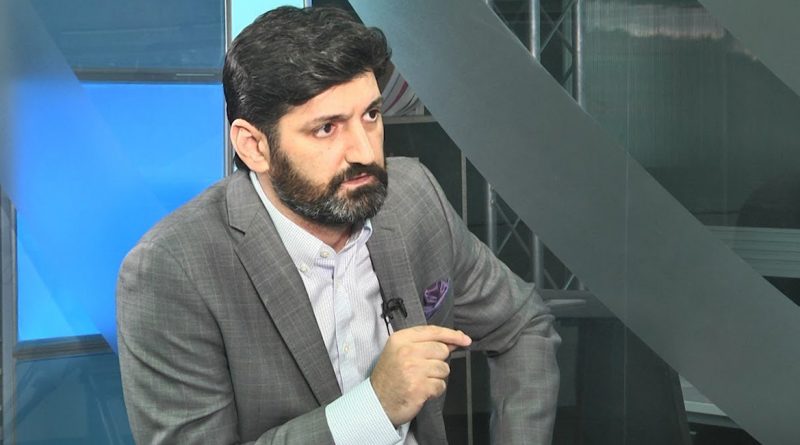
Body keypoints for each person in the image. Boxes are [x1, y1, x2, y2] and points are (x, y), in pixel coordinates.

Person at [116, 6, 560, 445]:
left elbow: (523, 325)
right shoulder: (171, 270)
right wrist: (375, 408)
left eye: (371, 115)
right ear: (253, 146)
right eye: (327, 128)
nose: (364, 152)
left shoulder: (413, 197)